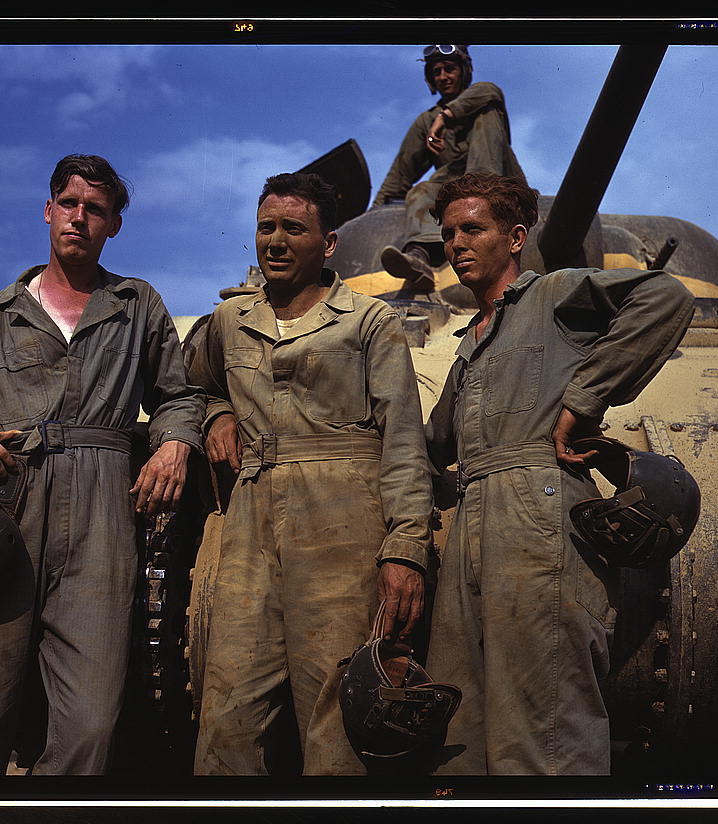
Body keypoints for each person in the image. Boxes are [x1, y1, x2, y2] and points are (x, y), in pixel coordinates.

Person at [0, 154, 203, 775]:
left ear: (114, 226)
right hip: (2, 513)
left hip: (103, 515)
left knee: (90, 724)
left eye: (95, 210)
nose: (79, 219)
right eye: (68, 205)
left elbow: (178, 396)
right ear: (48, 213)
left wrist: (177, 442)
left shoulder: (138, 305)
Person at [423, 173, 695, 774]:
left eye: (473, 229)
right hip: (473, 519)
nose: (456, 244)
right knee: (460, 732)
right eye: (448, 235)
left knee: (543, 726)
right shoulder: (471, 341)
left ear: (516, 237)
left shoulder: (553, 295)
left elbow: (665, 298)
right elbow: (433, 446)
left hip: (538, 517)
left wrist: (586, 397)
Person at [189, 172, 434, 775]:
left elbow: (403, 439)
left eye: (293, 229)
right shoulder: (230, 320)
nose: (275, 240)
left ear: (328, 244)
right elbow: (192, 383)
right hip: (252, 519)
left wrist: (405, 548)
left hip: (341, 517)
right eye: (266, 227)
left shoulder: (368, 321)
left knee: (334, 713)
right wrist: (218, 412)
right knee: (228, 710)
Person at [374, 45, 526, 290]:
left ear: (463, 71)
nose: (443, 76)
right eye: (436, 72)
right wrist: (374, 213)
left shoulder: (484, 97)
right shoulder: (426, 121)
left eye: (450, 69)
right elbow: (400, 174)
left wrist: (445, 117)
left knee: (487, 112)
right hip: (458, 191)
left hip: (500, 187)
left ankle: (480, 188)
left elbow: (490, 90)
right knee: (421, 191)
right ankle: (419, 258)